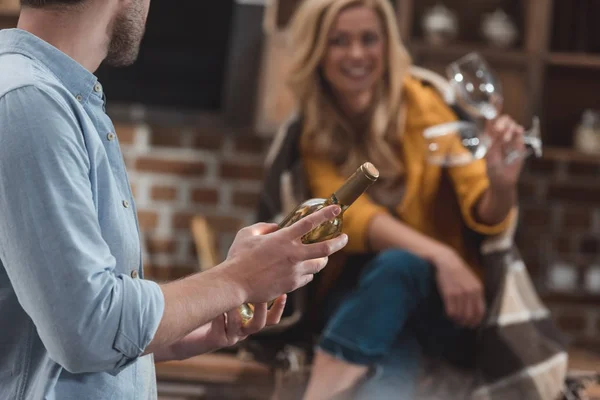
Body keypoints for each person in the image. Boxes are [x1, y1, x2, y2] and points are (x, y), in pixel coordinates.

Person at [0, 1, 349, 399]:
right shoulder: (30, 103)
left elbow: (64, 330)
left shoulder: (52, 98)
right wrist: (238, 279)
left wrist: (194, 323)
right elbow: (88, 328)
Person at [262, 0, 527, 398]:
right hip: (356, 299)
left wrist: (501, 184)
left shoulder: (423, 103)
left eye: (369, 39)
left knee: (401, 266)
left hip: (446, 301)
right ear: (317, 51)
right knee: (391, 369)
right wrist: (442, 254)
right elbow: (347, 214)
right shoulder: (312, 127)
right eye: (339, 41)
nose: (356, 54)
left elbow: (483, 207)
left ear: (387, 45)